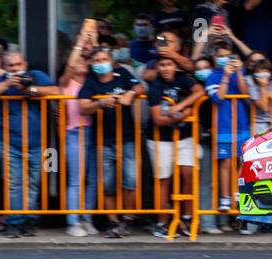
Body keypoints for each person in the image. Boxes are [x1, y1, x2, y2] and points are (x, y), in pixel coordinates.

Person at [0, 49, 57, 238]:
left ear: (25, 64)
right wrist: (8, 83)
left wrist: (31, 90)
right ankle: (14, 222)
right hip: (8, 142)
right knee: (14, 183)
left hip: (38, 142)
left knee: (34, 182)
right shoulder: (2, 80)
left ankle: (30, 220)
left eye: (18, 65)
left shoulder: (36, 76)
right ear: (5, 67)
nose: (15, 69)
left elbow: (56, 90)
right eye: (11, 66)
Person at [76, 47, 142, 238]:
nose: (100, 63)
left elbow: (140, 87)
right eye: (97, 60)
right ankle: (113, 222)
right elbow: (83, 107)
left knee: (130, 180)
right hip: (103, 141)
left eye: (104, 59)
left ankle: (128, 219)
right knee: (108, 184)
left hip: (127, 138)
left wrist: (131, 93)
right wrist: (100, 103)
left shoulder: (122, 73)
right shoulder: (91, 82)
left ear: (111, 61)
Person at [147, 54, 205, 238]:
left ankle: (187, 218)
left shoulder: (183, 78)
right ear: (158, 67)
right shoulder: (155, 86)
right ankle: (162, 222)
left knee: (188, 173)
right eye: (162, 65)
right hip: (160, 138)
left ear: (175, 65)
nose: (166, 68)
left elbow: (199, 92)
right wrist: (178, 115)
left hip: (184, 136)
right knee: (164, 180)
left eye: (169, 64)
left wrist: (180, 107)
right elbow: (158, 119)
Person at [205, 43, 251, 226]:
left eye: (228, 56)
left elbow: (245, 92)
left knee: (242, 162)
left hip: (242, 124)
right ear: (216, 59)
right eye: (221, 56)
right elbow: (218, 97)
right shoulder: (212, 76)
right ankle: (225, 198)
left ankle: (240, 197)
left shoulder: (240, 73)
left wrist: (238, 72)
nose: (225, 60)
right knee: (225, 163)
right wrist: (225, 75)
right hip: (223, 125)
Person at [59, 21, 97, 238]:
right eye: (80, 59)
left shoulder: (93, 80)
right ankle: (73, 221)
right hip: (74, 133)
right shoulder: (66, 82)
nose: (83, 62)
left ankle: (87, 218)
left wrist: (92, 37)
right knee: (76, 180)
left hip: (94, 133)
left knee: (92, 179)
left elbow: (99, 56)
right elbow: (72, 65)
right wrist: (81, 42)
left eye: (86, 59)